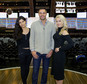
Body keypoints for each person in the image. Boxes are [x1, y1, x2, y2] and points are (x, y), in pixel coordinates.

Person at [30, 8, 56, 84]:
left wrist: (51, 50)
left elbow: (53, 39)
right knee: (35, 71)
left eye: (43, 13)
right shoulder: (34, 24)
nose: (42, 14)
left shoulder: (51, 25)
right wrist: (32, 51)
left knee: (45, 72)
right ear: (38, 14)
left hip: (47, 52)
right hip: (37, 52)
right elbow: (31, 38)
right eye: (40, 13)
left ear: (46, 14)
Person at [51, 14, 74, 84]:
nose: (58, 23)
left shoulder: (64, 31)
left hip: (60, 55)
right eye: (56, 21)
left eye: (59, 21)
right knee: (56, 75)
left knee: (59, 75)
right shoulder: (58, 30)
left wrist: (60, 48)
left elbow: (71, 44)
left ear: (63, 22)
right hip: (55, 55)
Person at [14, 16, 32, 84]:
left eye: (22, 21)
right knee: (23, 68)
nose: (21, 23)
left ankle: (25, 79)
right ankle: (24, 82)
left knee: (27, 68)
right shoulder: (17, 32)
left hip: (30, 52)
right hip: (22, 52)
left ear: (25, 21)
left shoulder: (31, 30)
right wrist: (19, 52)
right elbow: (18, 44)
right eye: (20, 22)